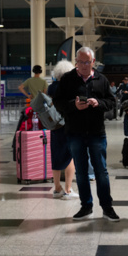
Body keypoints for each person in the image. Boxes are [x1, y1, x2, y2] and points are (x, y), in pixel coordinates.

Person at [52, 47, 119, 222]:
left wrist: (99, 103)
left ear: (93, 62)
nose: (83, 65)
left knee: (101, 171)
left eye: (87, 62)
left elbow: (112, 102)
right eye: (80, 62)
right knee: (81, 172)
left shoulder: (101, 79)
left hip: (97, 132)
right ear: (76, 62)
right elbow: (58, 103)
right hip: (75, 132)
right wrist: (74, 106)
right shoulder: (67, 79)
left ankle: (107, 207)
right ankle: (86, 206)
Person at [49, 60, 79, 200]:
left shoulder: (51, 87)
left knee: (56, 155)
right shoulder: (68, 87)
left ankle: (57, 188)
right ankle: (68, 189)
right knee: (69, 156)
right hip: (67, 124)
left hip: (54, 126)